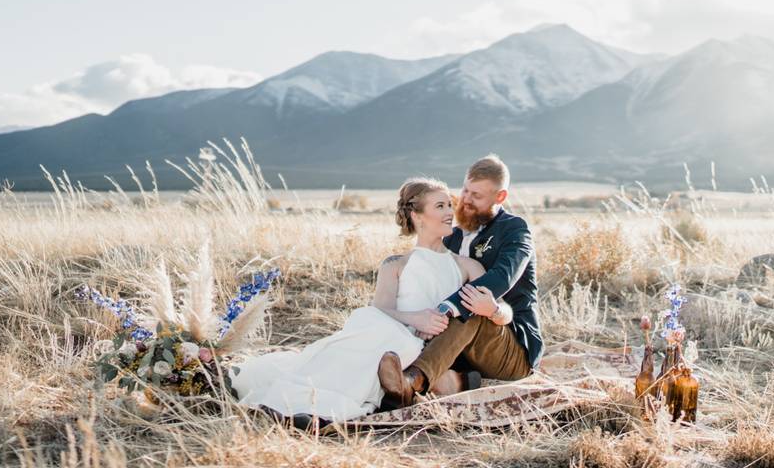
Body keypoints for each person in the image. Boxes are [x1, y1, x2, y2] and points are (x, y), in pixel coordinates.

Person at [230, 177, 508, 426]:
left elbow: (496, 308)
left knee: (384, 336)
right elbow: (382, 310)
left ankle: (329, 406)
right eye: (440, 206)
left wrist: (494, 312)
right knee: (370, 322)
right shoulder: (396, 264)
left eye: (450, 205)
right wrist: (416, 318)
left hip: (429, 350)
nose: (450, 213)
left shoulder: (467, 266)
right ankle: (304, 399)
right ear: (417, 216)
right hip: (394, 334)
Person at [378, 154, 544, 407]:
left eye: (476, 195)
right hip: (458, 346)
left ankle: (413, 381)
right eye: (465, 190)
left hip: (510, 346)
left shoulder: (514, 230)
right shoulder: (452, 235)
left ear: (500, 197)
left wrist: (443, 310)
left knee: (472, 304)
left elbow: (502, 278)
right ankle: (457, 381)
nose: (465, 199)